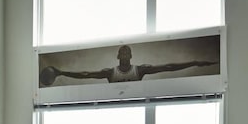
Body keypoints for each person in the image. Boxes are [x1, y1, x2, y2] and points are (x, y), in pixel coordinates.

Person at [39, 44, 218, 86]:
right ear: (118, 56)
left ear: (131, 56)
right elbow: (86, 74)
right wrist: (61, 72)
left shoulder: (139, 70)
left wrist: (194, 62)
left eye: (127, 52)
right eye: (121, 52)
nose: (124, 55)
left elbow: (168, 66)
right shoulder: (110, 73)